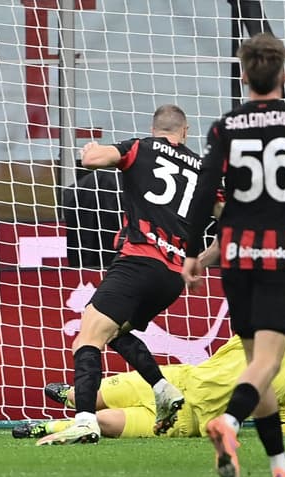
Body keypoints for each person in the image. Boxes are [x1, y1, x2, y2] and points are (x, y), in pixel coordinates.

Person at [182, 32, 285, 477]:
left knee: (258, 363)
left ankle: (280, 465)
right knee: (269, 364)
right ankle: (230, 422)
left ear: (243, 74)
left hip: (236, 254)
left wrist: (193, 249)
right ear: (284, 74)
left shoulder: (225, 127)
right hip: (281, 251)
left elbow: (203, 191)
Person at [37, 104, 202, 446]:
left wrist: (89, 150)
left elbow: (94, 161)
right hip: (173, 277)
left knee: (88, 337)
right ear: (184, 132)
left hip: (138, 261)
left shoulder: (140, 146)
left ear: (154, 128)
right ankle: (162, 389)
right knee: (114, 333)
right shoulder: (202, 167)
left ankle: (84, 420)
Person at [14, 315, 285, 440]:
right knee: (86, 397)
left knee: (105, 422)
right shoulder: (261, 337)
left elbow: (280, 425)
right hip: (172, 380)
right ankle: (72, 395)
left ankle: (48, 426)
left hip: (187, 421)